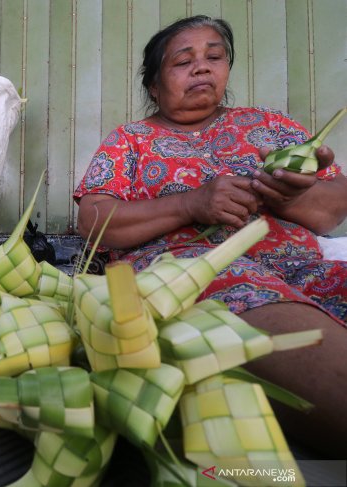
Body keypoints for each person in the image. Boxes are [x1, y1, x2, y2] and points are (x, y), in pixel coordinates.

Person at [74, 15, 347, 457]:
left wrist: (288, 195)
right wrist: (190, 204)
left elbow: (331, 209)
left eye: (214, 56)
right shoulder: (131, 140)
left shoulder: (269, 126)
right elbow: (94, 221)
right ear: (154, 86)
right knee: (241, 291)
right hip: (197, 271)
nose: (202, 67)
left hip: (301, 265)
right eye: (183, 61)